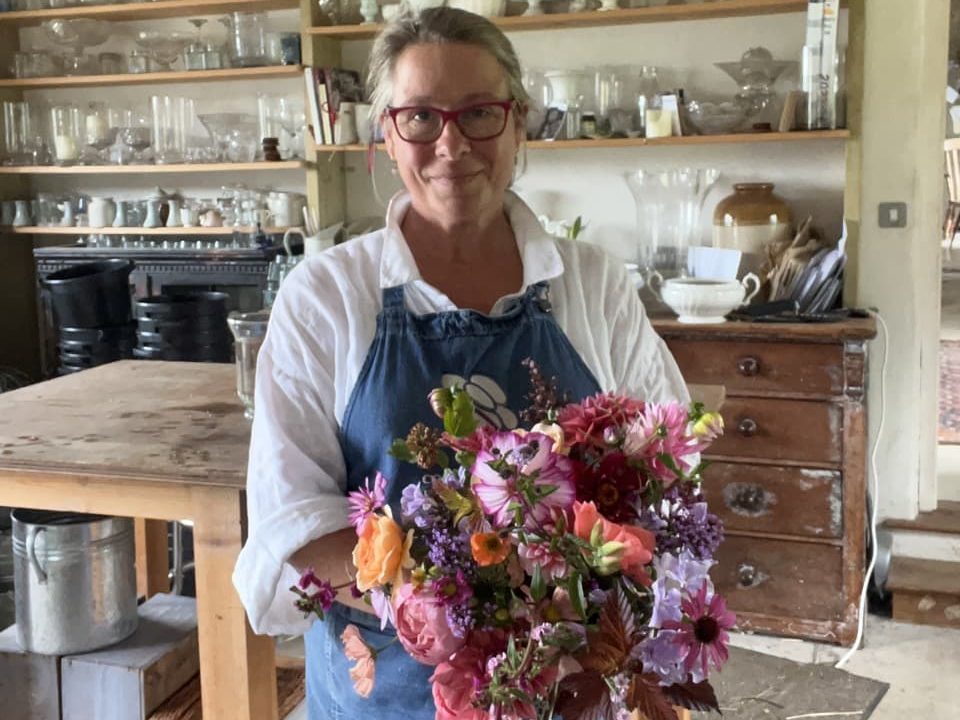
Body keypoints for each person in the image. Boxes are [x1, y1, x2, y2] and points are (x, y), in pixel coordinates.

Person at [232, 7, 690, 719]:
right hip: (386, 690)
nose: (451, 145)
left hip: (568, 683)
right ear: (386, 133)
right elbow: (294, 517)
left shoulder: (592, 283)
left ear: (519, 123)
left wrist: (584, 625)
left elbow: (665, 461)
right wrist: (451, 616)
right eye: (419, 116)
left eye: (478, 113)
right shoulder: (323, 297)